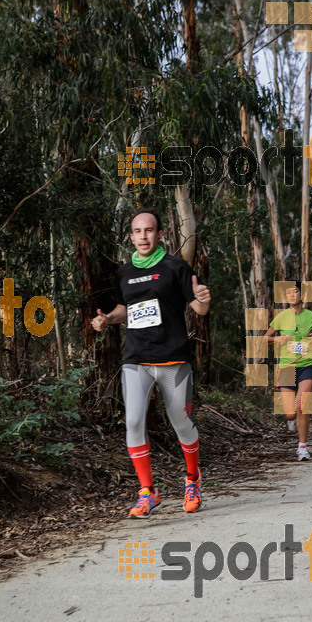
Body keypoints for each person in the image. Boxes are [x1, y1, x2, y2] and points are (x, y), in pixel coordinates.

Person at [91, 208, 211, 518]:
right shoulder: (124, 273)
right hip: (137, 359)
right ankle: (147, 491)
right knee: (133, 421)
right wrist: (107, 320)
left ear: (159, 235)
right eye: (137, 231)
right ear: (131, 237)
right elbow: (124, 309)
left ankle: (192, 479)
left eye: (149, 230)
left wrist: (203, 298)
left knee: (182, 424)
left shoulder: (175, 267)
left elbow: (198, 308)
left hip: (173, 359)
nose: (143, 236)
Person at [264, 282, 312, 461]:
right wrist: (278, 339)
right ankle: (292, 420)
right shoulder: (281, 317)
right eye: (289, 293)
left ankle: (302, 447)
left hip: (307, 365)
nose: (292, 295)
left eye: (296, 291)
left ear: (302, 294)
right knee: (290, 413)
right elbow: (265, 339)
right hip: (286, 367)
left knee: (302, 406)